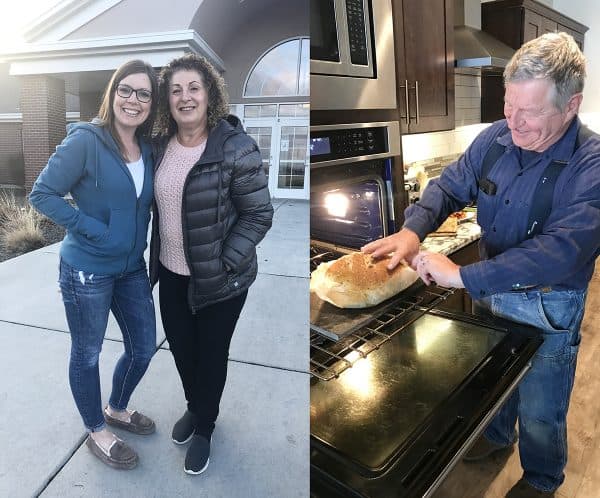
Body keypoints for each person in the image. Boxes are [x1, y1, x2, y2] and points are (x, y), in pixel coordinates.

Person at [363, 32, 600, 497]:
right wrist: (413, 230)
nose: (513, 121)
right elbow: (450, 186)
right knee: (495, 379)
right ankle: (495, 436)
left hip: (548, 304)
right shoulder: (495, 137)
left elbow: (561, 251)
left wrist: (462, 275)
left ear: (571, 106)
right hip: (493, 291)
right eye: (509, 106)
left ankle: (542, 478)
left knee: (541, 403)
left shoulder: (591, 164)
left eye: (528, 112)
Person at [29, 60, 159, 470]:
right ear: (112, 92)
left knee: (143, 347)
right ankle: (95, 429)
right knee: (87, 353)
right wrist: (92, 230)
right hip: (87, 269)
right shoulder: (86, 141)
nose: (132, 100)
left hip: (131, 268)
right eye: (125, 89)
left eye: (143, 93)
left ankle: (116, 407)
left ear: (151, 103)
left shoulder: (149, 148)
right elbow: (42, 193)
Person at [150, 53, 273, 475]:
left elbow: (259, 214)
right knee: (183, 351)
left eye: (194, 88)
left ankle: (205, 426)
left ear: (210, 94)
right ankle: (194, 405)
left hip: (222, 281)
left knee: (211, 355)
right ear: (168, 100)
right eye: (176, 90)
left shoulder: (235, 147)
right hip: (171, 273)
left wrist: (224, 264)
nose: (185, 97)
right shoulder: (160, 146)